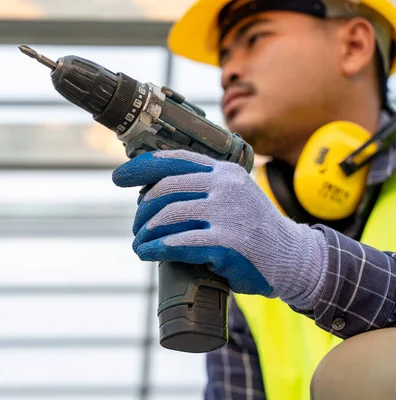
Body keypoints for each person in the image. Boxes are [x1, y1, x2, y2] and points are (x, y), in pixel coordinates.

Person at [111, 0, 396, 399]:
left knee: (361, 372)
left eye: (256, 38)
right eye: (224, 56)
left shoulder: (266, 240)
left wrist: (306, 264)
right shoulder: (242, 228)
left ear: (353, 46)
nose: (228, 72)